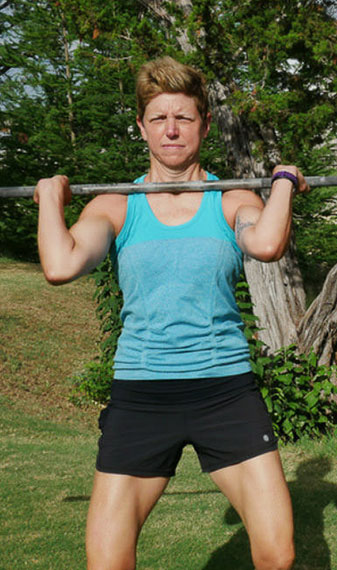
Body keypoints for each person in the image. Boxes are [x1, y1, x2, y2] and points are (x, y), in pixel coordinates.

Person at [34, 56, 307, 570]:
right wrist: (51, 197)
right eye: (158, 118)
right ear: (141, 127)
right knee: (107, 563)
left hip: (225, 391)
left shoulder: (230, 199)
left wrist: (285, 181)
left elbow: (267, 243)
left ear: (204, 123)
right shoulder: (117, 205)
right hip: (141, 397)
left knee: (277, 554)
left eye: (183, 117)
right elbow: (60, 264)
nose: (171, 129)